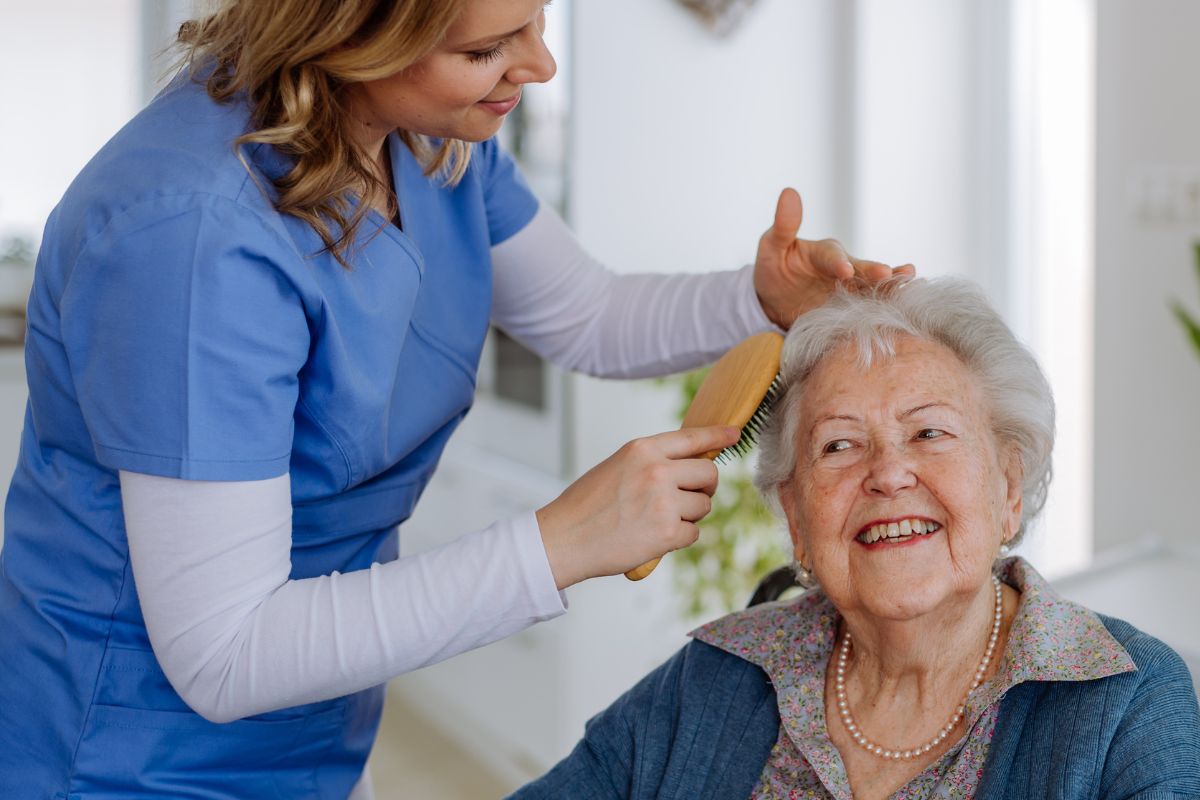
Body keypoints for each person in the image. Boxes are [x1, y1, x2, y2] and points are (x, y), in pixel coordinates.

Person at [0, 0, 914, 797]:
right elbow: (225, 651)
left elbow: (589, 315)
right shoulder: (191, 237)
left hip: (316, 729)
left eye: (539, 18)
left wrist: (759, 302)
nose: (540, 64)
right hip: (128, 758)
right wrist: (560, 544)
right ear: (353, 30)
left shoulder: (426, 135)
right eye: (487, 48)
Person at [511, 277, 1200, 800]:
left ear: (1009, 487)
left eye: (930, 432)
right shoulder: (717, 676)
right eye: (839, 445)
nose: (889, 473)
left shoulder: (1128, 706)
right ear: (796, 520)